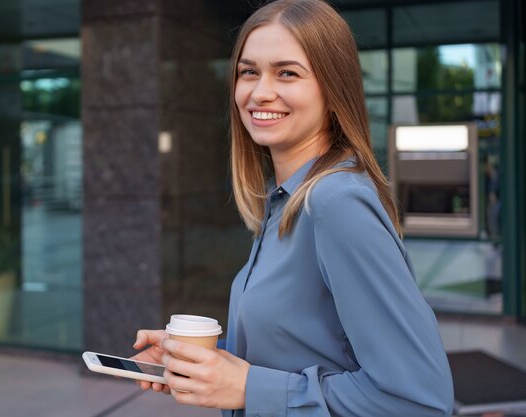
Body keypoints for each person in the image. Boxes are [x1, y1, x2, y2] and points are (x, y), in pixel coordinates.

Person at [132, 0, 454, 416]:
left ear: (333, 89)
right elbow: (312, 352)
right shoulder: (283, 200)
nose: (260, 91)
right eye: (249, 71)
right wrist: (200, 362)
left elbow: (419, 401)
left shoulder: (336, 203)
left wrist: (249, 387)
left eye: (287, 72)